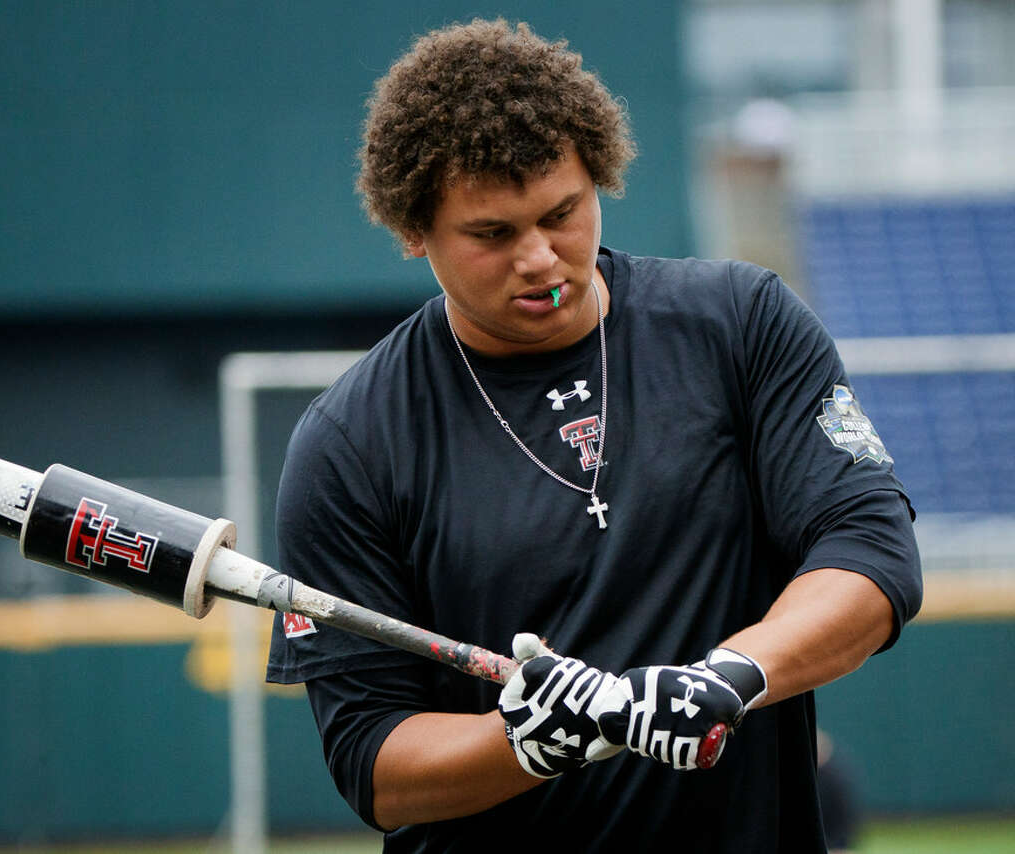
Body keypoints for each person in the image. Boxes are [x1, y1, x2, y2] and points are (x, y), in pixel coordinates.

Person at [266, 18, 921, 853]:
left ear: (598, 175)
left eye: (563, 213)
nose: (541, 258)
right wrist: (528, 745)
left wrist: (727, 678)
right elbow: (374, 764)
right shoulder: (350, 444)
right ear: (412, 230)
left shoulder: (741, 324)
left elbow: (871, 550)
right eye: (493, 234)